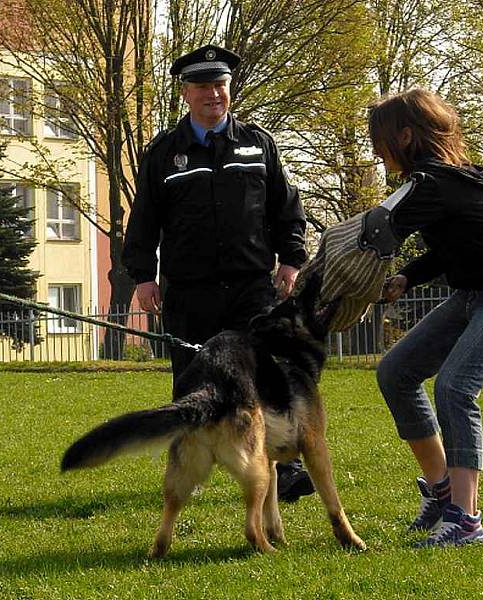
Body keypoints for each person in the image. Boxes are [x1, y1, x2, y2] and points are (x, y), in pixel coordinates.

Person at [122, 44, 314, 503]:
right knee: (193, 381)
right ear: (186, 93)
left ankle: (285, 468)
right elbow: (144, 218)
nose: (214, 94)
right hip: (190, 292)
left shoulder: (258, 144)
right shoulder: (165, 152)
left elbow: (286, 208)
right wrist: (144, 276)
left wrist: (291, 259)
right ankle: (189, 469)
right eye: (204, 86)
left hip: (251, 287)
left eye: (221, 85)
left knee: (267, 377)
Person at [370, 89, 483, 547]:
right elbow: (452, 247)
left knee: (455, 386)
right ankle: (443, 489)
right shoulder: (433, 183)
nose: (376, 151)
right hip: (474, 293)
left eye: (381, 140)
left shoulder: (433, 183)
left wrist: (331, 271)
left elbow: (376, 232)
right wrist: (407, 277)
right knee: (396, 371)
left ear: (406, 136)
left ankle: (466, 519)